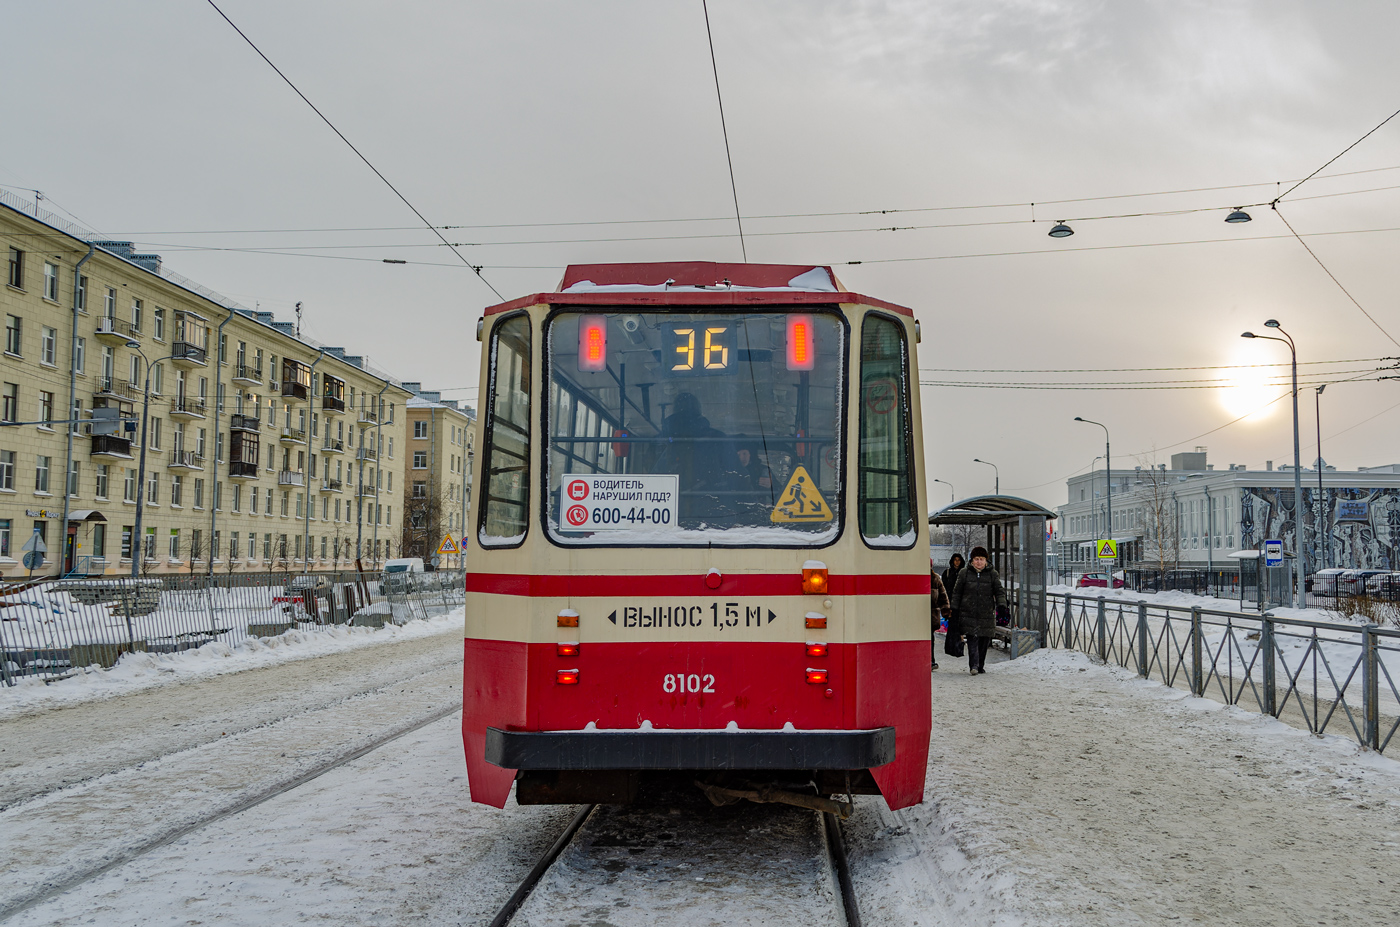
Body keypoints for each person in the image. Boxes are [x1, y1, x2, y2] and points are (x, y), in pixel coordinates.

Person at [950, 546, 1006, 675]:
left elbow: (999, 591)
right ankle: (973, 665)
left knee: (984, 640)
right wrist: (954, 608)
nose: (979, 562)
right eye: (976, 559)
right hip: (968, 612)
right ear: (972, 560)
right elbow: (957, 592)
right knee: (972, 639)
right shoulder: (964, 573)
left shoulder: (992, 574)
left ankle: (980, 665)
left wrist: (1001, 604)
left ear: (986, 560)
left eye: (981, 559)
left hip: (986, 613)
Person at [942, 553, 966, 658]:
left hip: (962, 604)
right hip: (951, 604)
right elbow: (943, 589)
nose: (956, 562)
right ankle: (952, 648)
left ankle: (958, 648)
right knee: (952, 626)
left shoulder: (965, 573)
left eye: (958, 560)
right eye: (955, 560)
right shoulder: (947, 573)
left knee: (960, 627)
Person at [929, 560, 951, 670]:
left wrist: (946, 610)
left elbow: (943, 595)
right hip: (916, 615)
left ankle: (931, 660)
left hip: (931, 614)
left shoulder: (935, 578)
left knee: (930, 638)